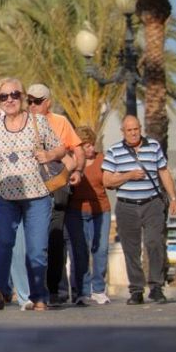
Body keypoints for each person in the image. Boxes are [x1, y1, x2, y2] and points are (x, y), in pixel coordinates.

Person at [0, 79, 63, 311]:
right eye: (3, 97)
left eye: (14, 94)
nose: (10, 99)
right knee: (3, 243)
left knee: (37, 250)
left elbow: (61, 148)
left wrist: (50, 155)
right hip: (4, 197)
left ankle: (39, 295)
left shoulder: (39, 122)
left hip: (37, 197)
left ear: (22, 96)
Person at [102, 115, 176, 304]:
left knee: (155, 243)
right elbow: (107, 181)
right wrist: (128, 175)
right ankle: (136, 290)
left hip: (152, 203)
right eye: (129, 130)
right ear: (123, 132)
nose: (133, 132)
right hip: (127, 206)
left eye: (136, 129)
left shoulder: (153, 147)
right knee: (131, 249)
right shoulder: (114, 151)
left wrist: (174, 197)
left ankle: (156, 287)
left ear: (140, 128)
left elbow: (163, 172)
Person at [25, 83, 83, 304]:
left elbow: (77, 148)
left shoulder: (60, 122)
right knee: (33, 239)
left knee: (55, 237)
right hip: (29, 187)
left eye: (37, 101)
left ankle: (53, 290)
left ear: (48, 101)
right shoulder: (21, 121)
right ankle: (32, 289)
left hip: (56, 185)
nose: (32, 105)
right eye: (29, 101)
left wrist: (77, 170)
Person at [65, 126, 111, 305]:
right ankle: (82, 292)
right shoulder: (71, 163)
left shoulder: (102, 160)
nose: (91, 149)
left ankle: (98, 289)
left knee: (101, 249)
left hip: (101, 210)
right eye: (86, 146)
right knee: (79, 251)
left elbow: (109, 180)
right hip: (76, 211)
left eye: (92, 144)